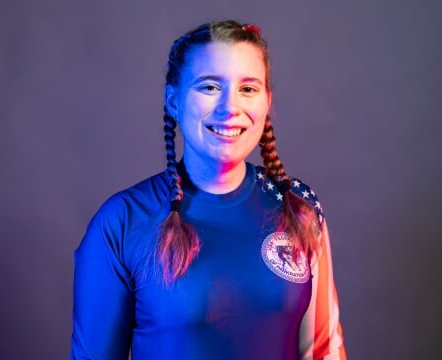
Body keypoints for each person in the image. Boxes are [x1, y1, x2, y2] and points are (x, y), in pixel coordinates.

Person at [70, 20, 346, 360]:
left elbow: (323, 351)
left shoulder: (298, 208)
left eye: (248, 89)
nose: (229, 108)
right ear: (173, 101)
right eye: (209, 87)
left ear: (267, 102)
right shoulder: (122, 222)